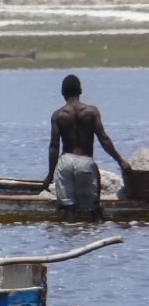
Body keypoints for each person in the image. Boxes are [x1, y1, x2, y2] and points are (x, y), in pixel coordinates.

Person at [42, 74, 131, 218]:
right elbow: (103, 139)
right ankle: (93, 235)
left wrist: (50, 175)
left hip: (65, 162)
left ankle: (69, 238)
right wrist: (120, 161)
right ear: (80, 91)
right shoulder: (91, 112)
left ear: (63, 93)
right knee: (93, 209)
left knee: (68, 208)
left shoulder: (58, 115)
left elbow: (54, 146)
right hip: (85, 161)